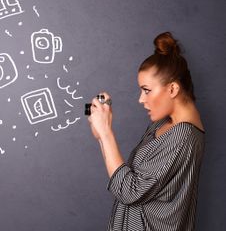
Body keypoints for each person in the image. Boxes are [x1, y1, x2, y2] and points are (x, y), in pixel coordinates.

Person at [87, 32, 205, 231]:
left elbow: (130, 191)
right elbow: (129, 176)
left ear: (173, 89)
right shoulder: (163, 125)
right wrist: (100, 131)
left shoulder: (183, 136)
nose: (141, 99)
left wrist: (107, 133)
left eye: (147, 90)